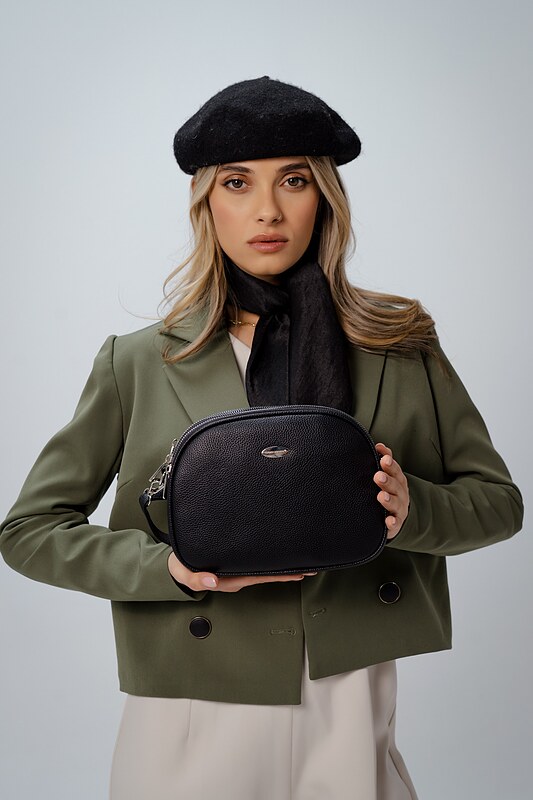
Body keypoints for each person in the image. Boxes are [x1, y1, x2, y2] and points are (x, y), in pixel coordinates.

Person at [0, 76, 523, 800]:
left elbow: (498, 503)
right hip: (188, 711)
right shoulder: (139, 362)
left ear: (325, 198)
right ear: (206, 202)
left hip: (348, 703)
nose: (268, 210)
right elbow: (28, 531)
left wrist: (413, 510)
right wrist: (170, 569)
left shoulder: (400, 345)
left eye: (294, 181)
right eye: (238, 183)